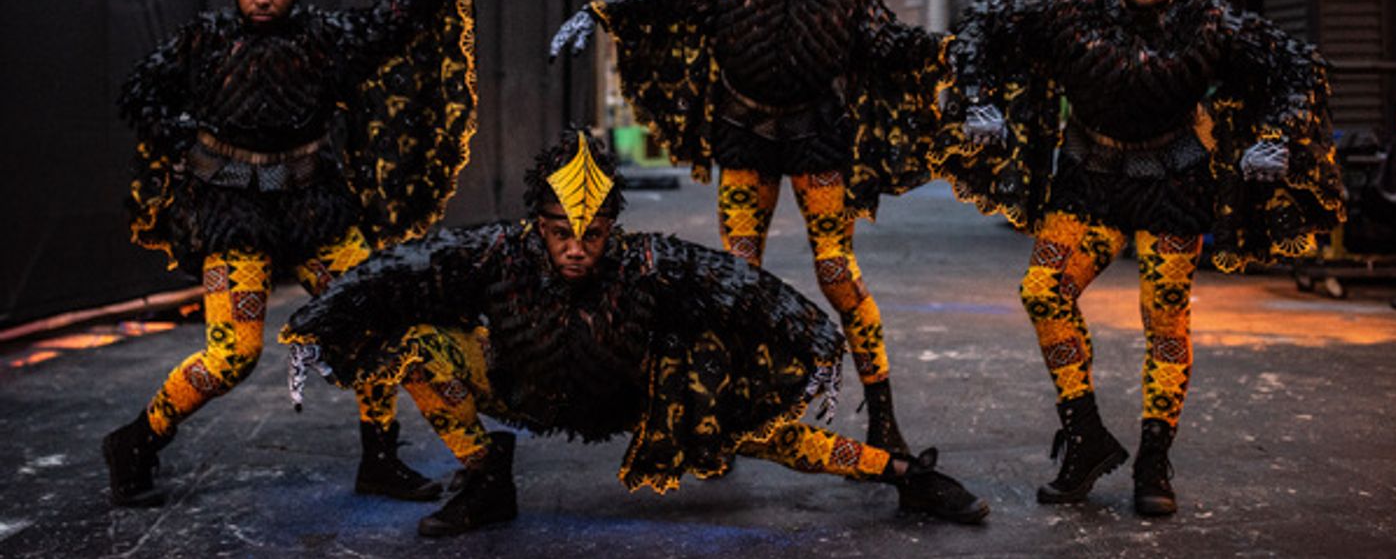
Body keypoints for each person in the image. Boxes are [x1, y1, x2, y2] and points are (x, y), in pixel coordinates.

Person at [280, 129, 989, 537]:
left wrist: (814, 337)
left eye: (591, 233)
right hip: (523, 384)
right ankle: (487, 477)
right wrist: (322, 317)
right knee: (417, 346)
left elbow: (749, 288)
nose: (576, 250)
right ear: (538, 225)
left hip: (636, 398)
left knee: (770, 431)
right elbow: (407, 267)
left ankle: (908, 476)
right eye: (561, 234)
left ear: (612, 227)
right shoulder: (496, 250)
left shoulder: (652, 261)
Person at [930, 0, 1344, 516]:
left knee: (1166, 321)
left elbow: (1297, 65)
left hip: (1173, 187)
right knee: (1043, 291)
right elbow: (983, 25)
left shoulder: (1211, 21)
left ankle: (1154, 461)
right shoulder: (1070, 6)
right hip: (1089, 182)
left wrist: (1277, 135)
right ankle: (1086, 435)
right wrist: (980, 98)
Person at [101, 0, 506, 507]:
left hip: (316, 211)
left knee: (377, 325)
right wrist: (183, 138)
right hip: (230, 217)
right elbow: (140, 90)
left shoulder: (325, 40)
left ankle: (380, 458)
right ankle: (136, 441)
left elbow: (390, 20)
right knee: (233, 353)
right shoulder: (204, 40)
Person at [550, 0, 946, 455]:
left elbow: (893, 46)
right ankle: (726, 414)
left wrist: (955, 64)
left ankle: (885, 416)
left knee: (839, 275)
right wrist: (603, 11)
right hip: (744, 136)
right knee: (739, 276)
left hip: (818, 137)